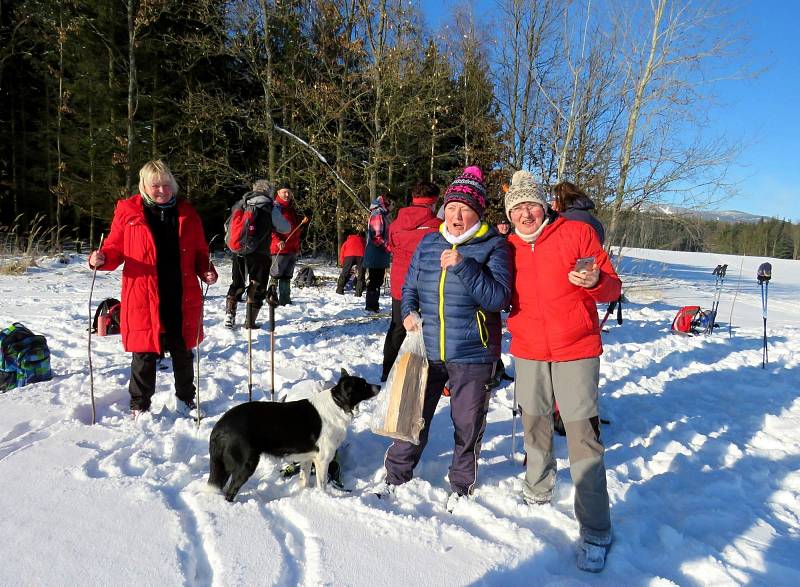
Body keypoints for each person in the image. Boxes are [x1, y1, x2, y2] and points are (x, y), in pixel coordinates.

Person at [504, 170, 621, 572]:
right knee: (534, 423)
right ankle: (538, 485)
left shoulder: (576, 234)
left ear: (546, 205)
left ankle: (595, 528)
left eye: (530, 205)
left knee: (581, 434)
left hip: (577, 348)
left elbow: (612, 287)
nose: (524, 214)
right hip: (529, 349)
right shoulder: (507, 247)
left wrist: (594, 281)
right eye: (517, 207)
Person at [381, 166, 512, 510]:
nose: (456, 215)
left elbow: (498, 298)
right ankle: (396, 476)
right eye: (452, 207)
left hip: (472, 353)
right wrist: (408, 311)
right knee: (411, 416)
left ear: (478, 212)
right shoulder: (429, 242)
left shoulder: (493, 245)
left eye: (465, 208)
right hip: (426, 347)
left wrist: (464, 266)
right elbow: (409, 286)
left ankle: (461, 485)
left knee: (467, 424)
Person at [88, 160, 218, 419]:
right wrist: (101, 258)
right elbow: (114, 248)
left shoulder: (188, 214)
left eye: (166, 184)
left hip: (181, 293)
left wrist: (206, 270)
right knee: (144, 352)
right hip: (143, 294)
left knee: (183, 350)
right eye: (155, 185)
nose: (161, 190)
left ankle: (185, 399)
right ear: (144, 186)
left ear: (173, 185)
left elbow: (200, 252)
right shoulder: (129, 213)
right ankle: (139, 405)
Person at [380, 181, 442, 382]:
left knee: (397, 326)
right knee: (427, 329)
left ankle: (387, 370)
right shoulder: (437, 226)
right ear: (433, 202)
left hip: (400, 282)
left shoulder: (396, 222)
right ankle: (425, 373)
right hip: (425, 283)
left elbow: (391, 245)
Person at [225, 180, 290, 329]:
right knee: (257, 285)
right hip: (260, 253)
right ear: (269, 192)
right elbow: (285, 228)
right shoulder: (269, 206)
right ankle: (250, 321)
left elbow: (228, 226)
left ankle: (229, 315)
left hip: (239, 250)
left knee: (237, 283)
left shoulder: (241, 203)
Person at [270, 186, 308, 306]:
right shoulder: (275, 207)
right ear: (278, 192)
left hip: (292, 248)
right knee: (276, 274)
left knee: (287, 276)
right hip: (279, 248)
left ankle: (285, 300)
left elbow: (295, 228)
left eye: (289, 192)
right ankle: (271, 297)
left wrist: (303, 224)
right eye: (284, 192)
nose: (287, 195)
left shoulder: (291, 208)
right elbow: (270, 227)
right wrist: (277, 240)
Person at [363, 193, 394, 312]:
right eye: (392, 204)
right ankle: (371, 306)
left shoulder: (383, 215)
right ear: (387, 202)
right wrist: (389, 248)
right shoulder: (377, 214)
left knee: (377, 280)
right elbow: (376, 237)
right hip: (375, 254)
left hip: (380, 254)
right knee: (375, 280)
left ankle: (373, 305)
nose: (393, 207)